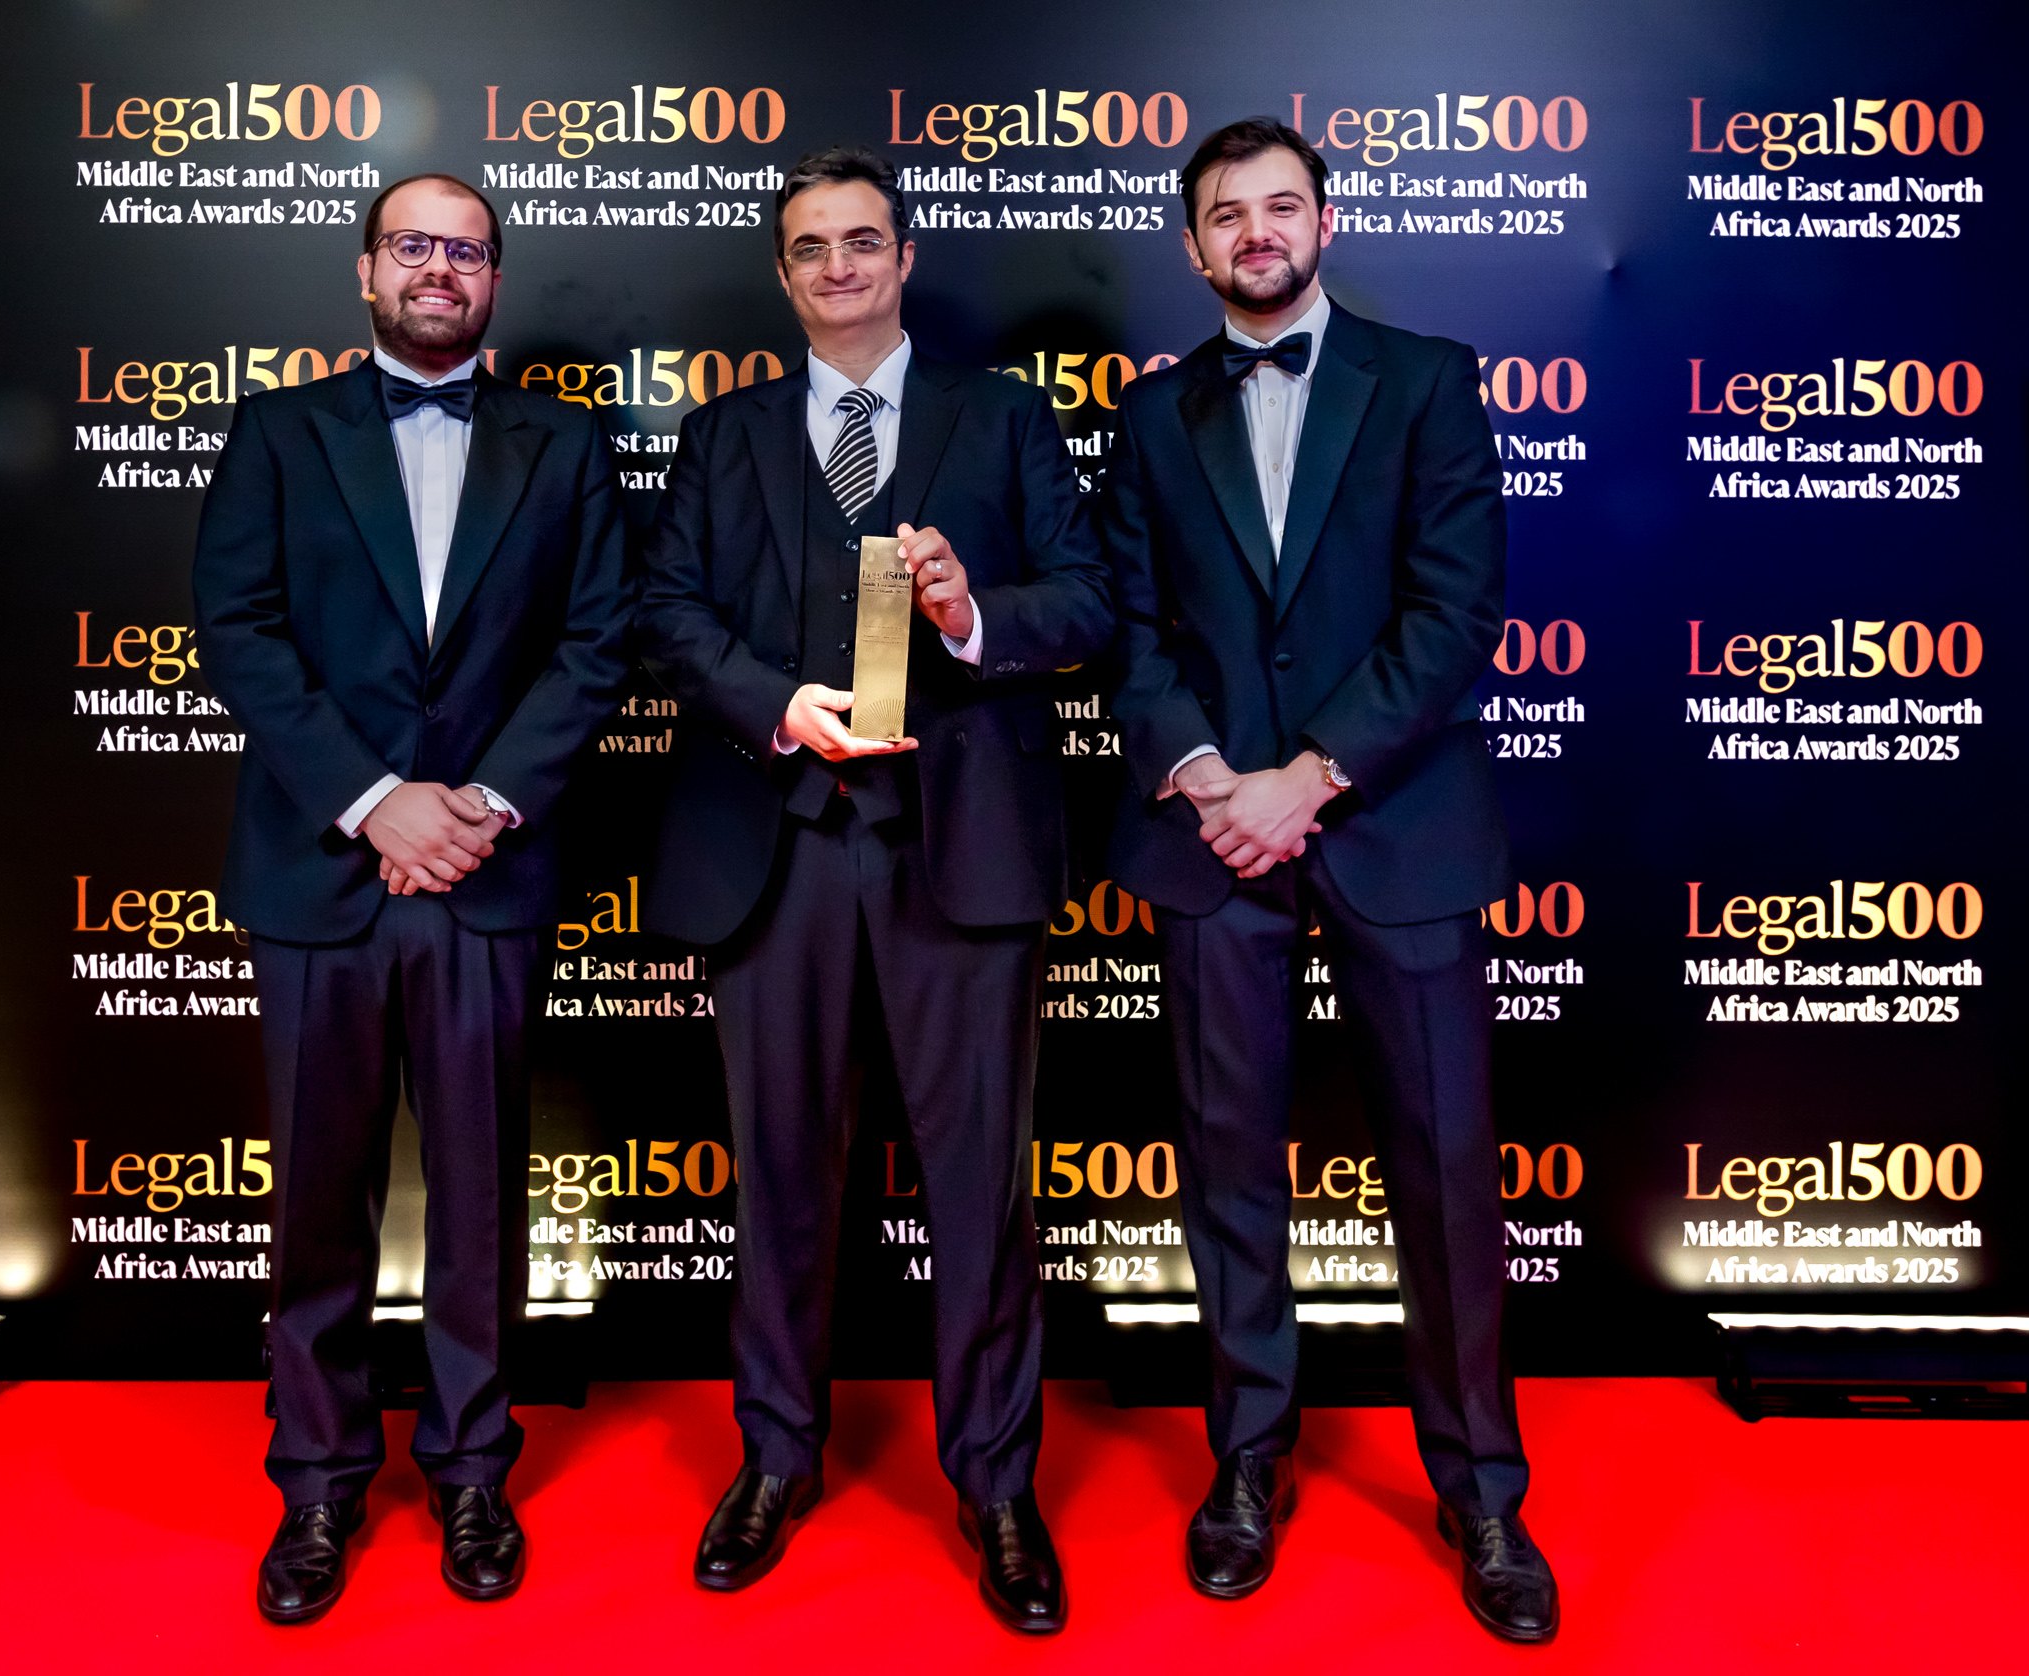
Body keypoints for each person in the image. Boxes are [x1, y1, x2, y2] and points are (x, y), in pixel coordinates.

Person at [636, 144, 1112, 1634]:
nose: (839, 267)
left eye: (863, 242)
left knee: (983, 1188)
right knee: (779, 1176)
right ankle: (776, 1455)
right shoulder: (721, 435)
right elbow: (665, 612)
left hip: (959, 849)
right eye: (811, 248)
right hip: (775, 844)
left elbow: (1090, 600)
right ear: (783, 276)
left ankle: (996, 1483)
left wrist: (974, 616)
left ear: (906, 260)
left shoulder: (1007, 417)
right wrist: (774, 704)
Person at [1097, 118, 1559, 1643]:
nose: (1257, 233)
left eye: (1281, 207)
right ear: (1193, 247)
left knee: (1445, 1174)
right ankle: (1247, 1460)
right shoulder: (1151, 417)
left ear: (1325, 223)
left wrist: (1312, 775)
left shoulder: (1427, 382)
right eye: (1227, 214)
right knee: (1229, 1166)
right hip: (1213, 839)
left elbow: (1454, 611)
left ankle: (1482, 1491)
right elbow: (1130, 632)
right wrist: (1208, 775)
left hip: (1394, 826)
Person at [193, 172, 632, 1623]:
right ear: (367, 270)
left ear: (495, 280)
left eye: (468, 252)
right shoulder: (278, 432)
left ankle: (471, 1466)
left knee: (481, 1191)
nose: (441, 270)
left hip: (486, 872)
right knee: (318, 1193)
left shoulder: (567, 445)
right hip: (320, 868)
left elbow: (596, 646)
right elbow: (239, 631)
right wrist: (377, 799)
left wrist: (480, 806)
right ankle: (318, 1478)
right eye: (414, 247)